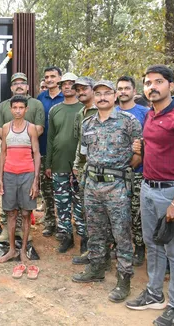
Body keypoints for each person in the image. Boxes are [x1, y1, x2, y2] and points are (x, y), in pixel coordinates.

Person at [126, 65, 174, 326]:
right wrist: (141, 148)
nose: (152, 87)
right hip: (148, 188)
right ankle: (154, 293)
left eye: (158, 81)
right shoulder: (150, 114)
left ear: (171, 85)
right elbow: (156, 147)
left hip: (173, 191)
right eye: (148, 82)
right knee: (153, 245)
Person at [71, 80, 142, 304]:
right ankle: (97, 268)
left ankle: (124, 279)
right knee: (95, 230)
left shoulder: (128, 122)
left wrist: (120, 173)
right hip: (92, 185)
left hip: (116, 186)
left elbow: (139, 155)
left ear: (115, 96)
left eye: (107, 93)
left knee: (121, 234)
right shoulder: (88, 123)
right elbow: (84, 153)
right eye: (98, 94)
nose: (102, 97)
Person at [0, 72, 45, 242]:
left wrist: (25, 139)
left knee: (26, 202)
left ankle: (23, 232)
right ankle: (6, 230)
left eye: (22, 83)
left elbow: (39, 128)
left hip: (29, 155)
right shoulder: (3, 106)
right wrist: (12, 140)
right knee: (9, 202)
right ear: (11, 87)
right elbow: (1, 131)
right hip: (10, 154)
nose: (19, 86)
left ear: (27, 86)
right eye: (15, 83)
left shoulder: (36, 104)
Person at [0, 96, 40, 271]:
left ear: (26, 109)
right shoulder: (6, 128)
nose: (18, 110)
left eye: (21, 107)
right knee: (11, 213)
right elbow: (3, 153)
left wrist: (36, 180)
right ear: (11, 109)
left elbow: (36, 153)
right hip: (9, 174)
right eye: (15, 107)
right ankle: (12, 249)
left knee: (26, 212)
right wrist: (0, 177)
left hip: (27, 174)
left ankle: (23, 250)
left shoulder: (31, 129)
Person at [45, 72, 84, 253]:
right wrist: (49, 164)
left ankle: (83, 237)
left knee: (80, 203)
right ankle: (66, 236)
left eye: (71, 83)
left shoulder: (84, 108)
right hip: (59, 162)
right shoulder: (55, 110)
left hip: (80, 166)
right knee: (61, 203)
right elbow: (51, 138)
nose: (67, 86)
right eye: (64, 84)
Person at [115, 76, 149, 267]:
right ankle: (120, 246)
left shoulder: (144, 112)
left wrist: (138, 159)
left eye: (127, 88)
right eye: (120, 88)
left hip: (139, 172)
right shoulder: (112, 112)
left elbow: (148, 142)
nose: (123, 92)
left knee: (137, 212)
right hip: (117, 172)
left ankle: (140, 248)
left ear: (134, 91)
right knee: (119, 212)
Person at [70, 76, 98, 263]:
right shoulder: (81, 113)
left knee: (96, 213)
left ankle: (97, 253)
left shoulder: (101, 111)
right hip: (83, 169)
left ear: (93, 89)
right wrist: (75, 166)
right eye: (78, 89)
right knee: (84, 210)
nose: (81, 92)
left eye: (84, 89)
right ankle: (89, 250)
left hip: (99, 170)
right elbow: (79, 142)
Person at [36, 66, 64, 237]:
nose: (50, 79)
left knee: (62, 192)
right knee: (46, 191)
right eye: (47, 77)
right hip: (43, 149)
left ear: (59, 78)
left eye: (53, 76)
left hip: (61, 154)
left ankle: (63, 225)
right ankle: (50, 223)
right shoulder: (40, 99)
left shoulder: (67, 98)